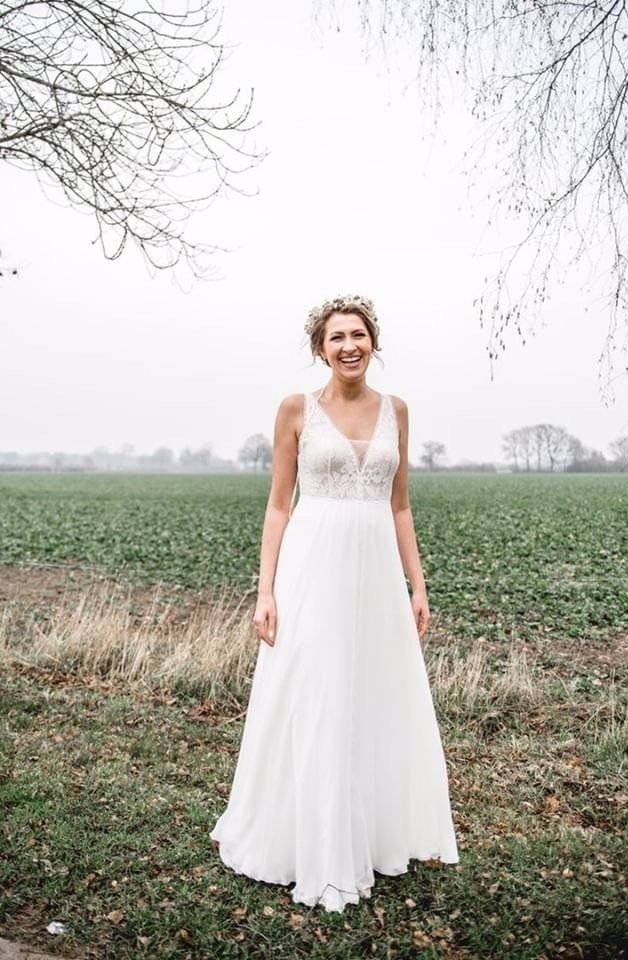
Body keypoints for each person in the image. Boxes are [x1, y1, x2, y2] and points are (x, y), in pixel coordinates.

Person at [209, 294, 459, 912]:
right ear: (320, 348)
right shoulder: (296, 410)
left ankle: (366, 837)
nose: (349, 346)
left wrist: (417, 583)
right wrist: (265, 589)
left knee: (370, 695)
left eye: (359, 335)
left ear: (373, 342)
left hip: (374, 573)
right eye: (336, 337)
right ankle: (305, 843)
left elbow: (400, 505)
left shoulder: (397, 411)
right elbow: (278, 504)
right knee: (314, 694)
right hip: (311, 568)